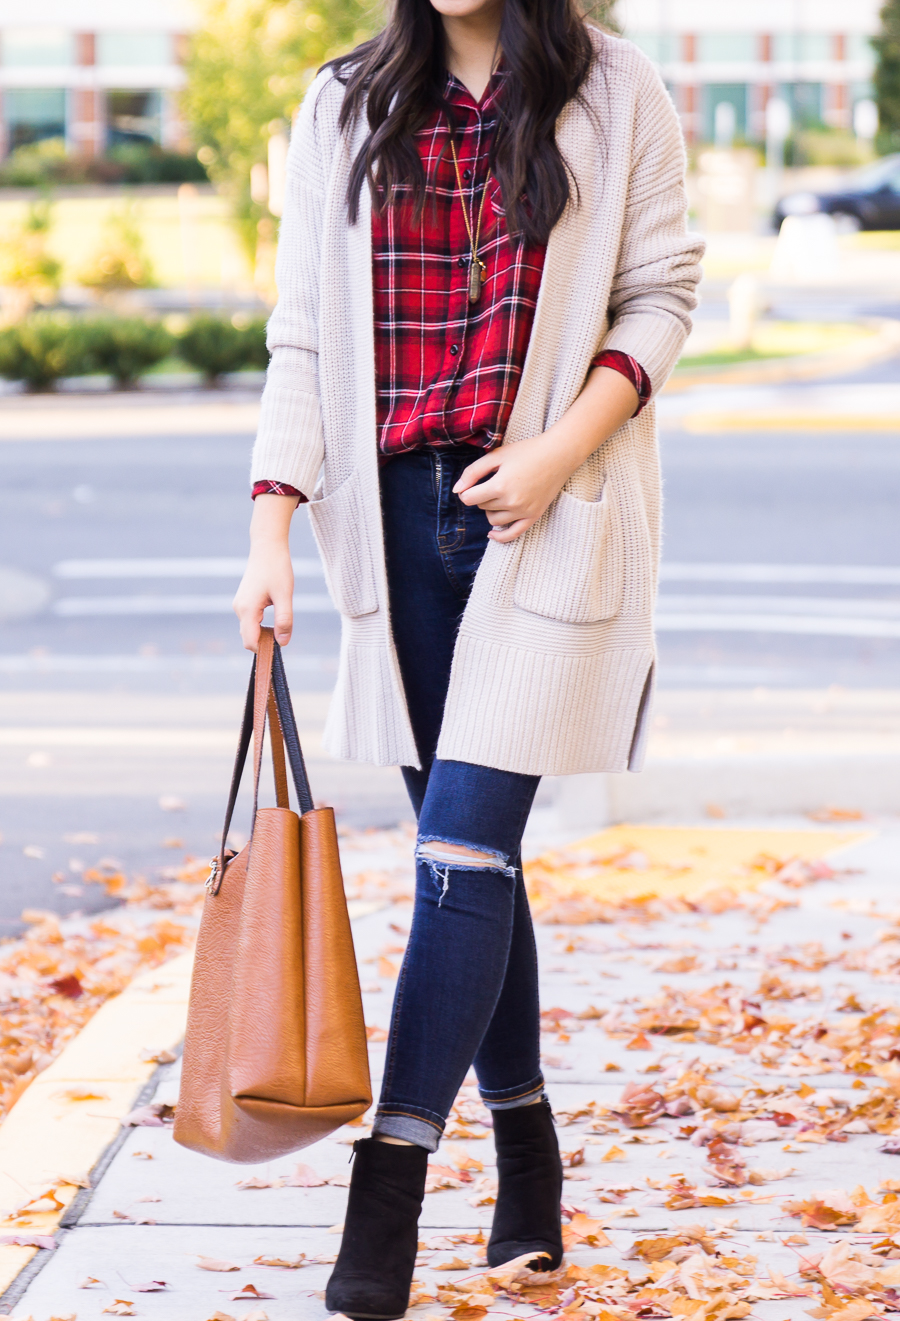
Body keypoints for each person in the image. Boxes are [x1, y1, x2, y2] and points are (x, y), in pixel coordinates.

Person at [233, 0, 703, 1315]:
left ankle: (385, 1189)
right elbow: (305, 338)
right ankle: (527, 1146)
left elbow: (663, 292)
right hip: (387, 534)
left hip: (545, 526)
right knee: (472, 859)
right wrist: (269, 529)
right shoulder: (342, 104)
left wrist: (556, 454)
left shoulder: (617, 90)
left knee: (460, 856)